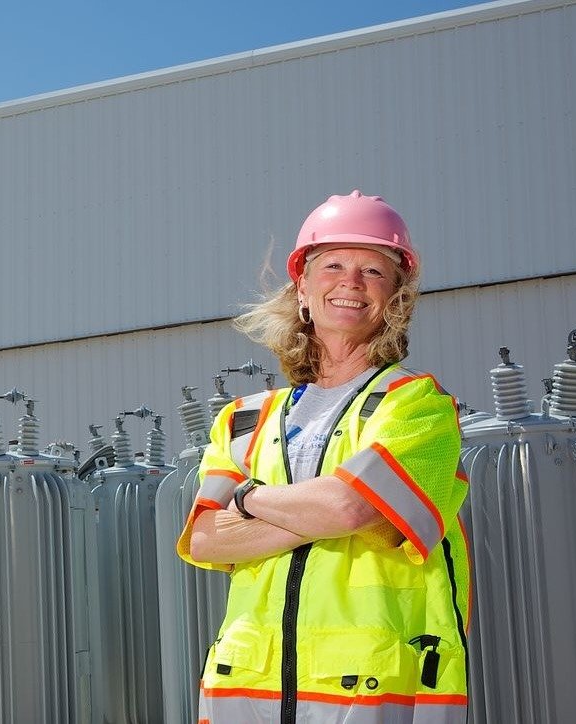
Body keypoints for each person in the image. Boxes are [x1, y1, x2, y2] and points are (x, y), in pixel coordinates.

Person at [176, 191, 471, 723]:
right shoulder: (245, 420)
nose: (352, 283)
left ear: (396, 298)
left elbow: (346, 511)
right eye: (332, 264)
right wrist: (334, 506)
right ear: (303, 291)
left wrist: (248, 500)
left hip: (372, 693)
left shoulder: (418, 406)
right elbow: (203, 538)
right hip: (247, 691)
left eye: (373, 272)